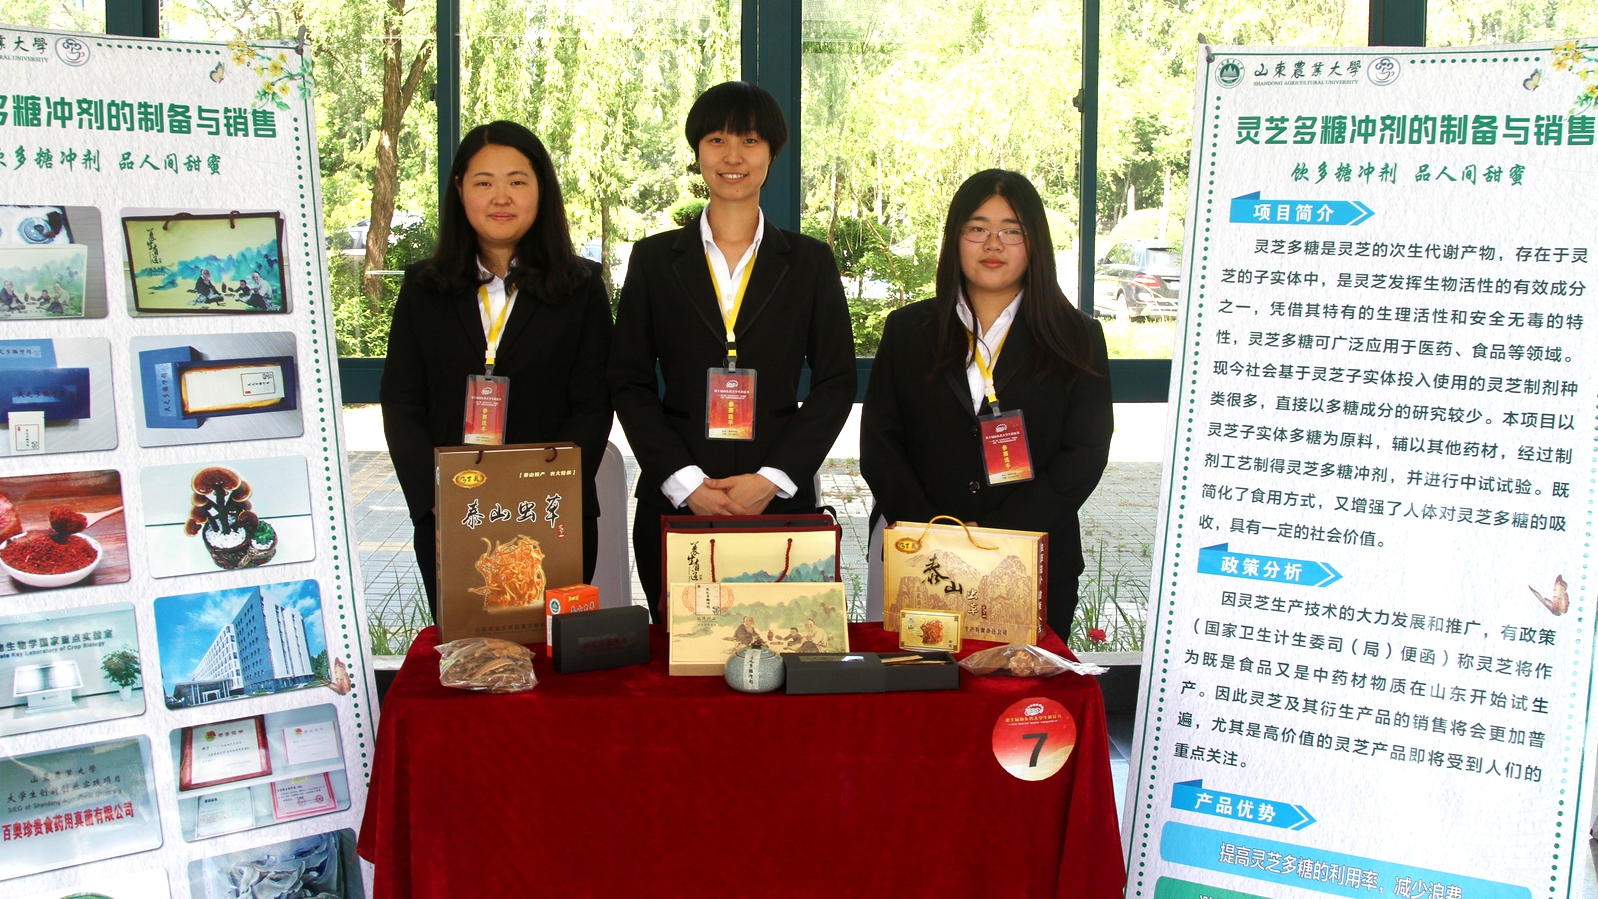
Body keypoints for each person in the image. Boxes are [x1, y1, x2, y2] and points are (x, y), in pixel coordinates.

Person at [609, 81, 856, 620]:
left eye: (749, 140)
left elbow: (837, 381)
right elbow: (628, 380)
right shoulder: (655, 260)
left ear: (772, 153)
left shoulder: (809, 262)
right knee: (683, 651)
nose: (733, 157)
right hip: (676, 502)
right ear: (698, 151)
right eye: (717, 140)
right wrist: (685, 482)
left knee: (780, 642)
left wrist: (774, 479)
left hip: (779, 501)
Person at [860, 169, 1113, 640]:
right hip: (922, 556)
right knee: (922, 679)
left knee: (1015, 684)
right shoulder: (908, 329)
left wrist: (995, 535)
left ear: (1034, 242)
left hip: (1031, 558)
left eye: (1011, 231)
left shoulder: (1075, 337)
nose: (993, 244)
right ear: (955, 238)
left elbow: (1085, 453)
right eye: (977, 228)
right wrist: (936, 534)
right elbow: (880, 445)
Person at [381, 121, 613, 621]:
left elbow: (593, 403)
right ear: (460, 190)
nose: (500, 197)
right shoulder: (424, 286)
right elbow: (402, 401)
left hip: (551, 514)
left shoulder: (581, 286)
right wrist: (432, 499)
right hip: (452, 515)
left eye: (517, 181)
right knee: (470, 655)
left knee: (550, 653)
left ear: (541, 190)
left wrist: (551, 489)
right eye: (483, 182)